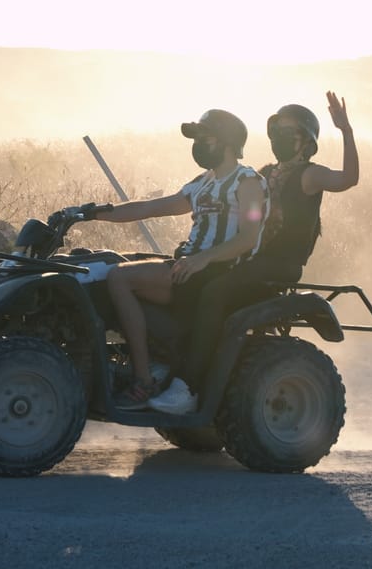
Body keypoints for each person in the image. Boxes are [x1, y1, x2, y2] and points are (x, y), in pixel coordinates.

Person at [155, 92, 361, 414]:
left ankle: (190, 386)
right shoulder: (263, 172)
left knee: (215, 292)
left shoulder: (310, 174)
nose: (279, 136)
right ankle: (170, 366)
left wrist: (345, 130)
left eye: (288, 131)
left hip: (278, 265)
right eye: (276, 129)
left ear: (306, 141)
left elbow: (349, 179)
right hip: (248, 258)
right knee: (188, 282)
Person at [79, 109, 268, 410]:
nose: (200, 145)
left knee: (118, 277)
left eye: (207, 138)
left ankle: (144, 381)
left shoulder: (248, 182)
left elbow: (248, 237)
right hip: (190, 265)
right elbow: (151, 208)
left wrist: (203, 259)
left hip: (216, 270)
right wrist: (91, 214)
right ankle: (138, 362)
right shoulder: (203, 182)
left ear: (229, 143)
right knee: (99, 269)